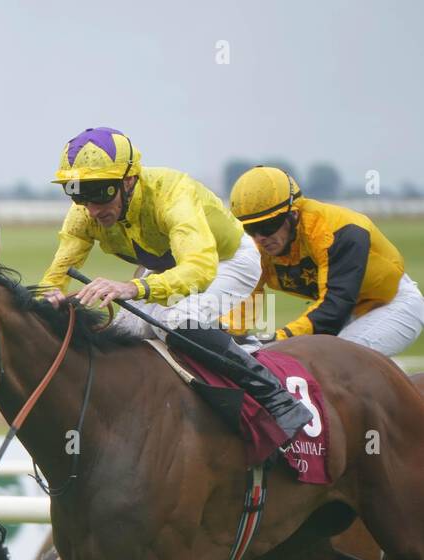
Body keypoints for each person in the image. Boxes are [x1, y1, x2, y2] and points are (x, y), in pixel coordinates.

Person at [37, 126, 310, 439]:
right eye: (78, 193)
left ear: (128, 180)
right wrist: (47, 300)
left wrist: (133, 288)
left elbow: (199, 269)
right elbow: (57, 274)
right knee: (123, 333)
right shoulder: (84, 214)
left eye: (101, 192)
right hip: (169, 267)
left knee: (176, 321)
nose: (92, 208)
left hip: (225, 261)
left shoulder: (172, 194)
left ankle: (276, 397)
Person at [229, 165, 424, 356]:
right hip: (347, 313)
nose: (259, 237)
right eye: (250, 229)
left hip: (392, 304)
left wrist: (279, 338)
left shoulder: (338, 231)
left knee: (334, 364)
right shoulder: (254, 247)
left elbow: (335, 307)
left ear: (293, 214)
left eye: (267, 225)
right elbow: (243, 301)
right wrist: (227, 336)